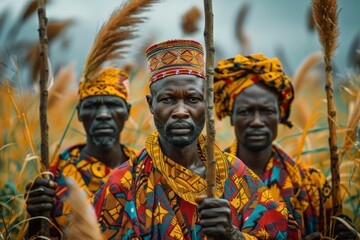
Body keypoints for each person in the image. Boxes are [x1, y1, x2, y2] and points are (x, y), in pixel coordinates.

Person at [91, 39, 301, 239]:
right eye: (168, 99)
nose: (181, 111)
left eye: (192, 99)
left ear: (207, 103)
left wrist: (232, 234)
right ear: (151, 104)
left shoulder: (235, 176)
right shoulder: (124, 184)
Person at [213, 53, 356, 239]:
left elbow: (329, 231)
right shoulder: (210, 179)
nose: (257, 121)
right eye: (245, 111)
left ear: (280, 114)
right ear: (231, 116)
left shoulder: (311, 185)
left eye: (267, 111)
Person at [25, 67, 136, 238]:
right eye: (91, 105)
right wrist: (36, 217)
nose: (103, 114)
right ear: (79, 113)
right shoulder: (55, 177)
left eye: (113, 104)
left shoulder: (143, 169)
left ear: (127, 112)